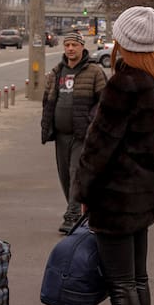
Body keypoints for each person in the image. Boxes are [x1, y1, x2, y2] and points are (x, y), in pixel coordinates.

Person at [75, 6, 154, 305]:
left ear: (125, 42)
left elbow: (98, 146)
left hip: (115, 199)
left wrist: (83, 192)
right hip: (142, 195)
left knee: (122, 285)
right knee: (137, 280)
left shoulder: (125, 83)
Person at [41, 31, 107, 234]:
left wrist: (90, 121)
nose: (70, 48)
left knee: (75, 173)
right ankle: (79, 210)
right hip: (61, 135)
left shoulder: (94, 71)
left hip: (82, 134)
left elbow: (104, 101)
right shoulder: (56, 72)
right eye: (67, 45)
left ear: (82, 47)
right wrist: (47, 125)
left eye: (74, 45)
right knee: (65, 176)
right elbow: (48, 100)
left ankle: (72, 215)